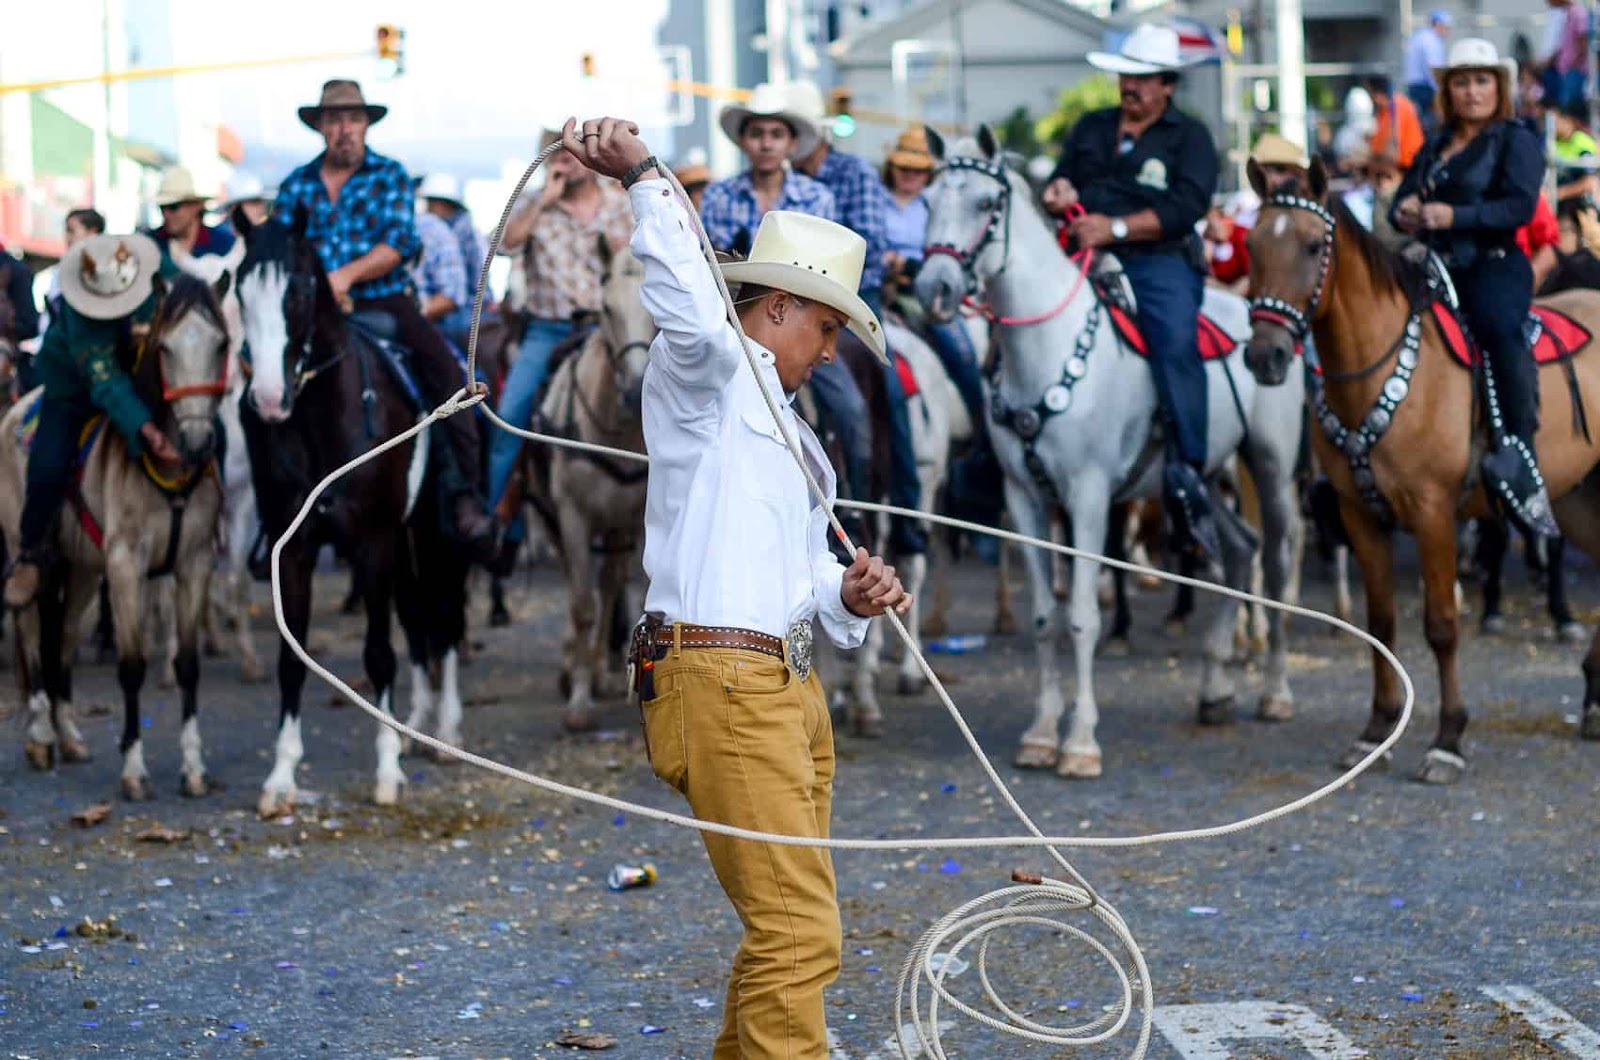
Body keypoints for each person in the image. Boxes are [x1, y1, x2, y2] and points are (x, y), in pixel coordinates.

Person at [559, 114, 910, 1060]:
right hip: (722, 681)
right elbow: (685, 303)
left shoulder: (795, 436)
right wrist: (643, 178)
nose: (831, 353)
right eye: (828, 328)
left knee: (792, 925)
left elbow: (801, 581)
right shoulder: (705, 374)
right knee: (801, 931)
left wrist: (850, 596)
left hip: (784, 686)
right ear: (779, 308)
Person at [273, 79, 493, 553]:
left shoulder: (388, 175)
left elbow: (399, 242)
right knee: (264, 386)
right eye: (335, 120)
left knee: (449, 375)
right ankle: (274, 508)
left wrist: (345, 278)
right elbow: (278, 248)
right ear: (321, 128)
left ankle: (464, 492)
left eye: (353, 119)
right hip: (312, 312)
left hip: (384, 301)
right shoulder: (296, 185)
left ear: (366, 124)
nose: (344, 129)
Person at [1042, 23, 1221, 559]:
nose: (1131, 87)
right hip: (1084, 253)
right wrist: (1057, 192)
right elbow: (1060, 178)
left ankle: (1189, 475)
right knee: (1024, 323)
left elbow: (1187, 207)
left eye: (1144, 79)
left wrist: (1115, 229)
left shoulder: (1190, 136)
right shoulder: (1091, 126)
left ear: (1167, 84)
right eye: (1126, 76)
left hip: (1158, 260)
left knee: (1174, 342)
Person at [699, 85, 879, 548]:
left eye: (775, 133)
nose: (765, 142)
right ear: (745, 140)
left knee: (854, 409)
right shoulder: (719, 196)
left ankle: (853, 506)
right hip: (738, 323)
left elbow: (831, 275)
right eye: (756, 132)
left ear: (789, 143)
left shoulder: (815, 196)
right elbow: (711, 266)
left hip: (803, 324)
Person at [1392, 39, 1557, 539]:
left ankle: (1519, 454)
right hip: (1435, 266)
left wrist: (1453, 215)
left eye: (1481, 80)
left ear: (1499, 86)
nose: (1471, 91)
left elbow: (1520, 209)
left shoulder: (1516, 139)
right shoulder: (1435, 143)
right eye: (1461, 82)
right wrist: (1402, 212)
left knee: (1499, 329)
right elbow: (1399, 200)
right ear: (1447, 90)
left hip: (1495, 264)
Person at [3, 233, 184, 609]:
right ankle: (31, 553)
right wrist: (145, 429)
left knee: (208, 436)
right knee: (48, 466)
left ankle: (210, 529)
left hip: (145, 383)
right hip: (73, 390)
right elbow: (104, 379)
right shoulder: (78, 310)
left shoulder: (160, 271)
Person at [790, 81, 926, 555]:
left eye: (794, 129)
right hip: (793, 306)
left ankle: (903, 507)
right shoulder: (783, 179)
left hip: (853, 302)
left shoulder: (854, 175)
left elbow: (866, 245)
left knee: (890, 389)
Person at [491, 128, 632, 559]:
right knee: (510, 414)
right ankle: (492, 518)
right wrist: (542, 202)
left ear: (590, 160)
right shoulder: (534, 206)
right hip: (549, 331)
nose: (564, 162)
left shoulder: (620, 205)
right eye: (555, 156)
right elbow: (503, 246)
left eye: (572, 155)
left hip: (612, 331)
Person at [417, 172, 490, 352]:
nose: (433, 208)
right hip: (442, 301)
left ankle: (473, 377)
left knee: (454, 345)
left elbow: (466, 287)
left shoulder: (467, 236)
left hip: (466, 306)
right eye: (431, 203)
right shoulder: (431, 231)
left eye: (436, 203)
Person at [148, 165, 236, 260]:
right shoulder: (148, 243)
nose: (166, 214)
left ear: (196, 205)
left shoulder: (224, 244)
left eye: (173, 207)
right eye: (162, 207)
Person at [1363, 76, 1425, 170]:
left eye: (1370, 94)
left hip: (1407, 168)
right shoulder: (1383, 111)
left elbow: (1392, 153)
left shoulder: (1396, 106)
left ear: (1377, 94)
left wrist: (1368, 159)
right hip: (1397, 166)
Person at [1403, 9, 1452, 128]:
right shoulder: (1431, 40)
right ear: (1438, 25)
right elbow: (1433, 69)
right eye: (1446, 27)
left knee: (1419, 122)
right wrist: (1440, 91)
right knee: (1431, 124)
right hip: (1425, 88)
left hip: (1415, 87)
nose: (1448, 31)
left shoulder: (1420, 37)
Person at [1542, 0, 1590, 110]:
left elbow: (1583, 41)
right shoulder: (1568, 14)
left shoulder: (1578, 13)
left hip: (1575, 72)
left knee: (1572, 111)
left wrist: (1572, 64)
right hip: (1567, 72)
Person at [1551, 101, 1599, 207]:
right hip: (1556, 200)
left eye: (1557, 120)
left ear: (1568, 120)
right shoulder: (1549, 142)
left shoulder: (1582, 142)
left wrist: (1560, 193)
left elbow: (1589, 181)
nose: (1554, 124)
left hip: (1578, 203)